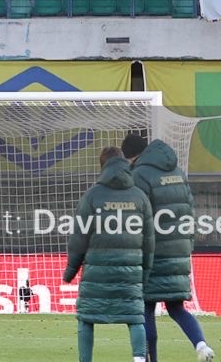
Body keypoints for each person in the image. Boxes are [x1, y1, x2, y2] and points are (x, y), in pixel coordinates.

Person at [123, 133, 216, 362]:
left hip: (153, 254)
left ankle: (149, 359)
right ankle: (202, 345)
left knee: (145, 310)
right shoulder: (177, 172)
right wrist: (188, 244)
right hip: (179, 250)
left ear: (131, 157)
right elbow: (189, 210)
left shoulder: (139, 175)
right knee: (176, 308)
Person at [64, 147, 154, 362]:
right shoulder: (140, 196)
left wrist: (71, 270)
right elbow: (149, 241)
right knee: (134, 318)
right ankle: (139, 359)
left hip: (97, 270)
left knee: (86, 318)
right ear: (124, 163)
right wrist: (145, 273)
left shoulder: (92, 195)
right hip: (130, 271)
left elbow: (79, 237)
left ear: (102, 166)